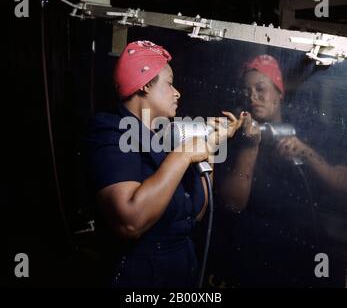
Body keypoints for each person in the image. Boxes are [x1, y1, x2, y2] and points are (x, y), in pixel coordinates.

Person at [84, 40, 242, 287]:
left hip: (181, 270)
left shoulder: (163, 139)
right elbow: (130, 222)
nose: (177, 92)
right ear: (145, 84)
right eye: (169, 84)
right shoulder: (110, 133)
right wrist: (182, 156)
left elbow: (196, 214)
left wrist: (210, 147)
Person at [216, 54, 347, 287]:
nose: (253, 97)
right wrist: (250, 146)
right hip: (254, 258)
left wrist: (306, 153)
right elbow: (232, 204)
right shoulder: (232, 138)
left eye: (260, 88)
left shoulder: (310, 129)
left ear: (279, 92)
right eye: (246, 91)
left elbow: (342, 183)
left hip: (306, 253)